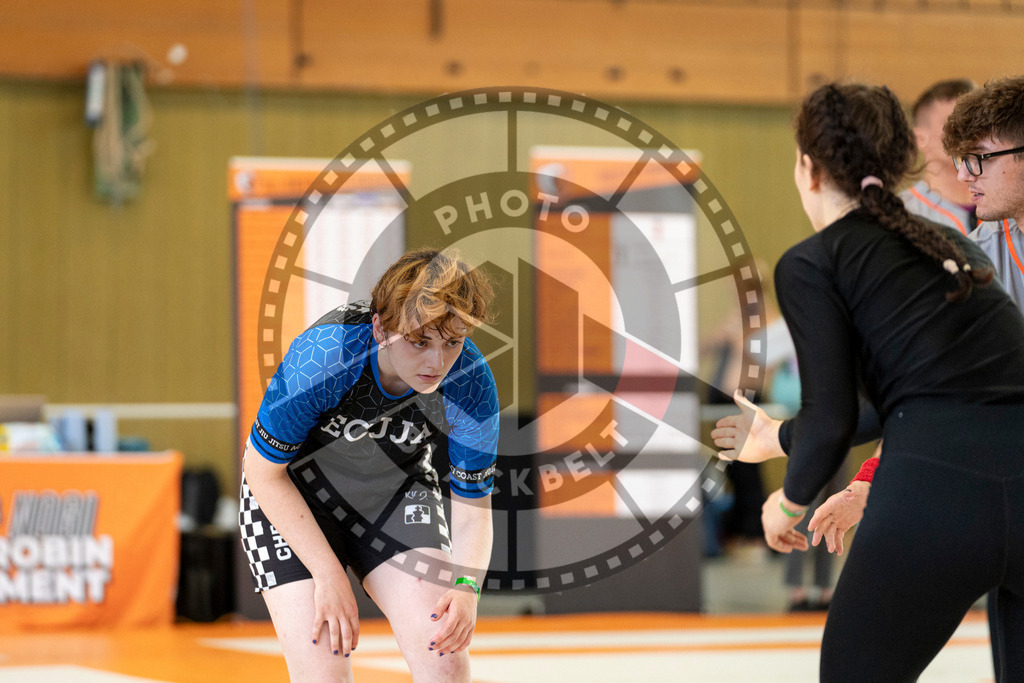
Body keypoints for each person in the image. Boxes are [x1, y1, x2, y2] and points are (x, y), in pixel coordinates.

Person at [715, 82, 1024, 681]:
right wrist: (780, 436)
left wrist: (786, 501)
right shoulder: (958, 247)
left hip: (939, 494)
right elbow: (909, 397)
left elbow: (837, 417)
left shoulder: (815, 260)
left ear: (807, 168)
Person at [239, 248, 499, 682]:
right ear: (380, 328)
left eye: (453, 342)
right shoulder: (324, 356)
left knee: (446, 663)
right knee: (326, 674)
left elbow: (475, 506)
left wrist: (468, 587)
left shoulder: (470, 381)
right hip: (295, 496)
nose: (437, 362)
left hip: (392, 495)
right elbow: (262, 471)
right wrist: (327, 572)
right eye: (419, 341)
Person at [900, 79, 977, 235]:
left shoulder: (1007, 206)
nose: (966, 132)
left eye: (973, 122)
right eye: (952, 124)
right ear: (920, 139)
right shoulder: (902, 213)